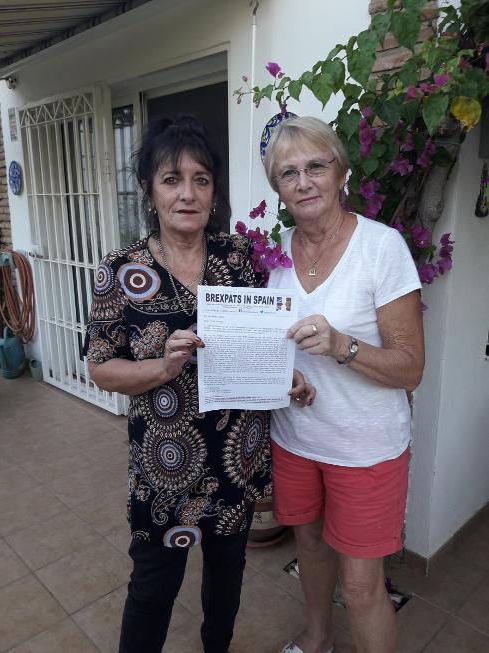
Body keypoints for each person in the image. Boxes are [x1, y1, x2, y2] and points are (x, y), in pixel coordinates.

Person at [83, 115, 314, 653]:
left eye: (201, 179)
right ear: (148, 190)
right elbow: (99, 367)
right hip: (165, 471)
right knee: (152, 591)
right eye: (171, 179)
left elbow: (262, 342)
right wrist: (161, 369)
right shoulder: (122, 270)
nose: (187, 194)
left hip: (235, 461)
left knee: (225, 586)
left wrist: (287, 374)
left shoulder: (240, 260)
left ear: (214, 192)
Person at [263, 116, 425, 653]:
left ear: (341, 173)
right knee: (309, 549)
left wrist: (342, 347)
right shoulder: (273, 256)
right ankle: (316, 641)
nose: (304, 181)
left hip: (366, 449)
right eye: (289, 173)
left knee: (359, 587)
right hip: (296, 440)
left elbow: (410, 367)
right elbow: (271, 343)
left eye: (316, 166)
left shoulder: (382, 248)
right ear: (278, 189)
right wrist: (280, 376)